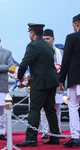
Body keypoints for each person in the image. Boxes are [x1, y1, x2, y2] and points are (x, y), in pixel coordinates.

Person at [16, 23, 60, 147]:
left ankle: (31, 138)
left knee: (34, 109)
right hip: (52, 82)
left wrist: (19, 78)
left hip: (40, 82)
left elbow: (24, 64)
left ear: (32, 33)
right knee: (50, 109)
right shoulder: (48, 46)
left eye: (30, 33)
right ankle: (55, 137)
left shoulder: (33, 46)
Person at [59, 14, 80, 147]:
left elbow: (65, 60)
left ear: (77, 24)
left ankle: (75, 137)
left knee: (72, 107)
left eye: (73, 25)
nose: (73, 28)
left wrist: (61, 79)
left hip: (75, 77)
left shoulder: (72, 37)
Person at [40, 29, 64, 139]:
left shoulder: (61, 52)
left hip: (58, 83)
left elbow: (65, 67)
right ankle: (45, 131)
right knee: (44, 109)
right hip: (44, 84)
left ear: (53, 39)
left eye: (48, 39)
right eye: (44, 39)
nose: (45, 41)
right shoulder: (39, 51)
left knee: (57, 109)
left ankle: (57, 131)